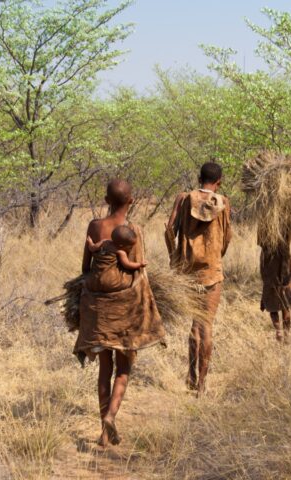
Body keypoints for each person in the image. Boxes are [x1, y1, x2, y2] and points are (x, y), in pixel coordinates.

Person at [74, 179, 166, 447]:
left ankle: (103, 429)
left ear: (106, 200)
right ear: (132, 201)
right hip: (125, 306)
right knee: (124, 368)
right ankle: (111, 418)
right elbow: (138, 272)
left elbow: (85, 267)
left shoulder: (94, 226)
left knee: (105, 366)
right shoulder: (134, 230)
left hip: (97, 305)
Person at [166, 162, 232, 396]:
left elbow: (169, 230)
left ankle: (191, 376)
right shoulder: (223, 202)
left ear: (198, 177)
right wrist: (215, 256)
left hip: (188, 273)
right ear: (219, 181)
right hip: (212, 273)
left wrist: (175, 258)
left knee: (195, 324)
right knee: (206, 326)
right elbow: (226, 238)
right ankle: (202, 383)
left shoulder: (183, 199)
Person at [259, 225, 291, 342]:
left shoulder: (274, 224)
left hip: (276, 266)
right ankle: (283, 334)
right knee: (283, 303)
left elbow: (261, 242)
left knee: (280, 303)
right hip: (275, 265)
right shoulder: (269, 223)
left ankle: (280, 332)